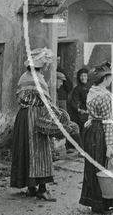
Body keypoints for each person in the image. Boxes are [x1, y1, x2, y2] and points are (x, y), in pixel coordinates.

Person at [10, 48, 79, 201]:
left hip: (23, 116)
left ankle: (31, 187)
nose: (47, 66)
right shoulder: (38, 80)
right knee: (40, 152)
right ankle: (42, 189)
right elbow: (47, 103)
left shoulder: (24, 77)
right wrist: (59, 117)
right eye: (46, 63)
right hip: (35, 117)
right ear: (41, 65)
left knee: (26, 150)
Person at [79, 62, 113, 213]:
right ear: (105, 78)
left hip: (91, 130)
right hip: (102, 132)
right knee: (107, 163)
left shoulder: (92, 91)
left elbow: (92, 113)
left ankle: (96, 200)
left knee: (93, 165)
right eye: (110, 76)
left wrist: (90, 119)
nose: (112, 79)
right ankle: (106, 200)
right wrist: (111, 145)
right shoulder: (105, 95)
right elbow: (106, 122)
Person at [66, 67, 90, 152]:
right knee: (82, 131)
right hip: (81, 114)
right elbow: (74, 102)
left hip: (90, 112)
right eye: (81, 76)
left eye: (85, 76)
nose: (83, 77)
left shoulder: (90, 87)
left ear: (87, 77)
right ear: (79, 78)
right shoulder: (77, 89)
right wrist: (79, 110)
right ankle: (81, 150)